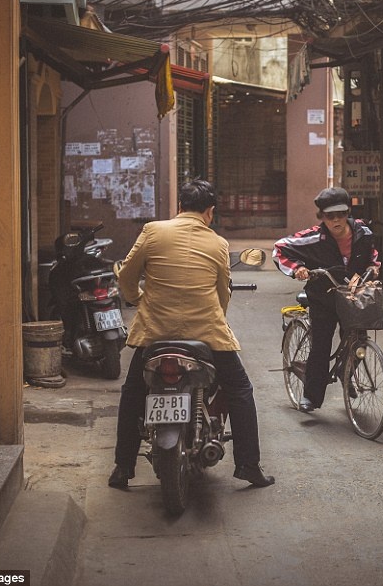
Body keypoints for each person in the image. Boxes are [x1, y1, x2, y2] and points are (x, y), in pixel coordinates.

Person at [108, 179, 275, 489]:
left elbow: (128, 276)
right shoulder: (218, 244)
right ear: (209, 212)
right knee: (240, 390)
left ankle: (122, 468)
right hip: (206, 333)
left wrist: (139, 300)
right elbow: (222, 293)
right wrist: (215, 318)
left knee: (133, 392)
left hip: (154, 332)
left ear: (179, 207)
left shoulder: (153, 231)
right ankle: (249, 466)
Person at [272, 187, 381, 412]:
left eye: (341, 214)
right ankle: (311, 396)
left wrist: (373, 266)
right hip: (323, 297)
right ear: (322, 217)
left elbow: (373, 254)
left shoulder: (364, 233)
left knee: (358, 339)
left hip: (353, 297)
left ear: (348, 212)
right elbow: (280, 249)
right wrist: (298, 268)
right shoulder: (313, 238)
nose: (336, 220)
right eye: (330, 216)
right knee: (321, 346)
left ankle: (345, 371)